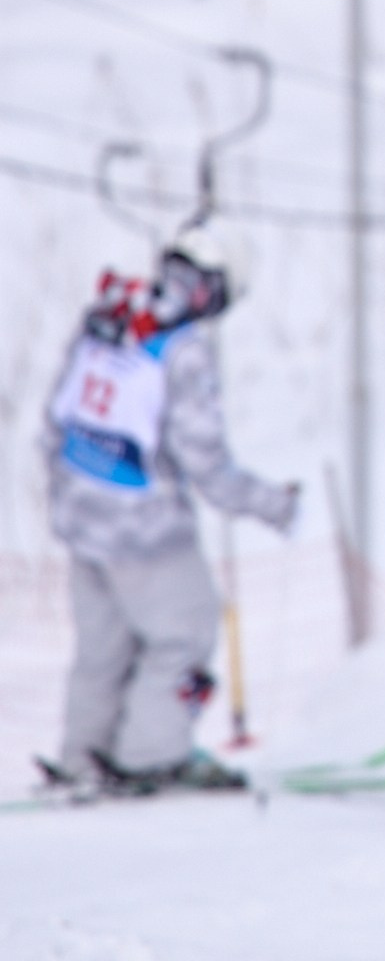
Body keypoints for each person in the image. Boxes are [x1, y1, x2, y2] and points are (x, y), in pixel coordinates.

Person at [38, 223, 298, 796]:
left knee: (104, 645)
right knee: (184, 634)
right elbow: (206, 465)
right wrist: (271, 505)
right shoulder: (182, 350)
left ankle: (86, 753)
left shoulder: (110, 317)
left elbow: (56, 417)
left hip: (83, 517)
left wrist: (66, 493)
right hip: (144, 530)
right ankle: (151, 755)